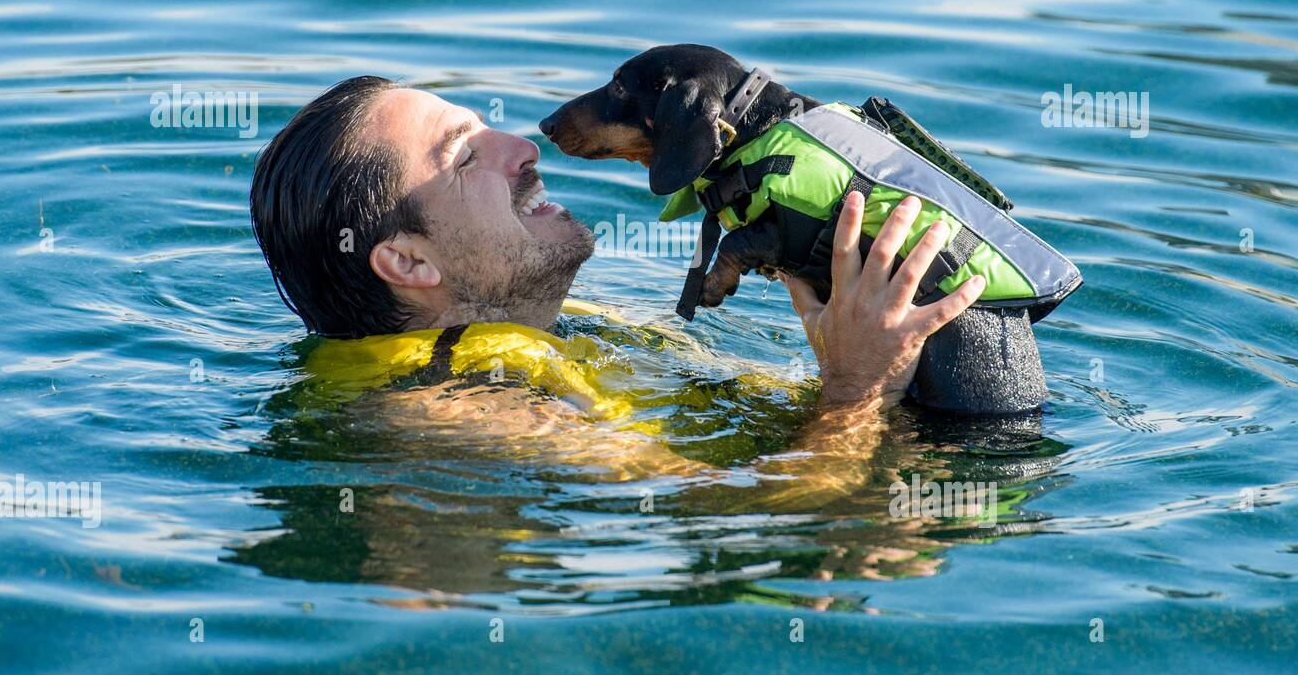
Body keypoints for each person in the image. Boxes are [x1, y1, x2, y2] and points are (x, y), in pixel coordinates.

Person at [250, 77, 985, 422]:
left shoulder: (545, 335)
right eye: (463, 156)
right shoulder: (454, 407)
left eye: (485, 128)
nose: (525, 147)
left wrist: (841, 343)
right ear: (410, 263)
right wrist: (859, 394)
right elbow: (760, 517)